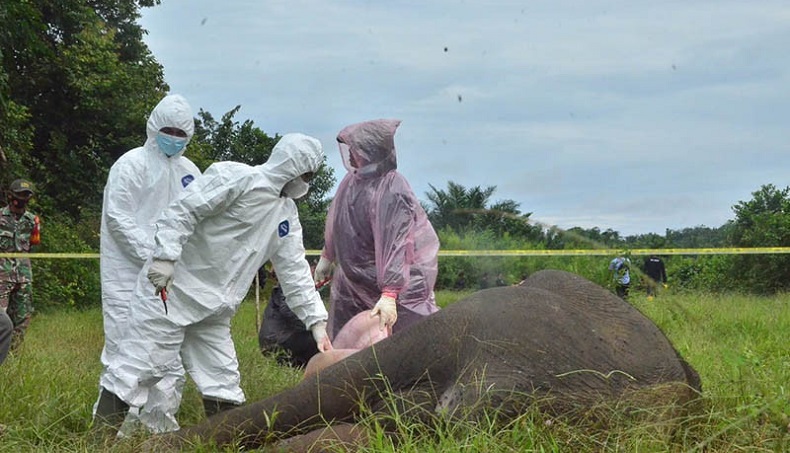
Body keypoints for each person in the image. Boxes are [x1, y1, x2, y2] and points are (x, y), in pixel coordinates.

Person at [93, 132, 333, 436]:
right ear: (293, 167)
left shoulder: (285, 215)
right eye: (307, 175)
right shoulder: (236, 178)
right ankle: (97, 440)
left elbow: (295, 271)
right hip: (173, 293)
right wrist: (165, 256)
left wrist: (316, 322)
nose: (306, 183)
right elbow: (184, 210)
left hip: (215, 310)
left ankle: (226, 443)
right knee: (138, 367)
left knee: (222, 379)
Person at [94, 94, 201, 434]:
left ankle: (159, 430)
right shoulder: (131, 164)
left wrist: (172, 263)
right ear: (154, 126)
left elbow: (197, 223)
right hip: (126, 275)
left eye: (180, 133)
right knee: (125, 350)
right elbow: (118, 219)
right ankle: (116, 432)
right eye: (168, 129)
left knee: (167, 354)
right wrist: (154, 257)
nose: (173, 137)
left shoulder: (190, 172)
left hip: (169, 279)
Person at [314, 119, 440, 338]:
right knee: (349, 339)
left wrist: (390, 292)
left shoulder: (392, 188)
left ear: (369, 150)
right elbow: (336, 220)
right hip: (354, 278)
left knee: (402, 342)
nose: (350, 153)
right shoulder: (350, 182)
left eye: (355, 148)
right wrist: (327, 255)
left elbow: (396, 243)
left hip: (398, 284)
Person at [0, 178, 41, 351]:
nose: (23, 199)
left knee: (22, 319)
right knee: (1, 319)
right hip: (2, 276)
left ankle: (13, 357)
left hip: (23, 276)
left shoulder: (32, 221)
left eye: (27, 196)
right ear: (11, 196)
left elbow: (33, 243)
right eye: (20, 195)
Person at [258, 267, 319, 368]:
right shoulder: (291, 284)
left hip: (275, 340)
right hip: (277, 341)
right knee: (321, 337)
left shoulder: (292, 284)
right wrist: (315, 325)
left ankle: (302, 365)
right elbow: (288, 311)